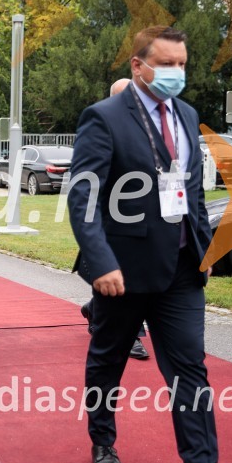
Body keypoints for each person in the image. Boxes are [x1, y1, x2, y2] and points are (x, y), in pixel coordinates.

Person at [68, 26, 217, 463]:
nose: (176, 72)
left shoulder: (188, 116)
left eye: (182, 64)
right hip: (123, 272)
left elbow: (193, 192)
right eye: (166, 64)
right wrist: (101, 262)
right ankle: (103, 440)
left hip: (184, 270)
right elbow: (83, 196)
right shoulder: (105, 116)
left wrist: (205, 251)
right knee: (108, 361)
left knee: (191, 369)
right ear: (139, 65)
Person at [79, 78, 149, 361]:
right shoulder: (99, 130)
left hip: (147, 218)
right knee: (128, 278)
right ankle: (133, 335)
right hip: (112, 219)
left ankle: (94, 309)